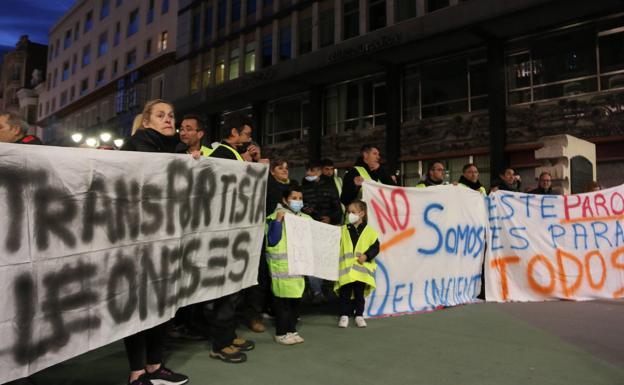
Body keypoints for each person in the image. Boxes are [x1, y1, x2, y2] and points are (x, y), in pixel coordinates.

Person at [121, 99, 188, 385]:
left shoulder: (174, 150)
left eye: (171, 115)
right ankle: (137, 372)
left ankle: (154, 366)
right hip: (136, 240)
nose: (168, 119)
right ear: (146, 122)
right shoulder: (137, 146)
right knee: (138, 303)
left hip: (164, 239)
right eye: (160, 115)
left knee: (162, 302)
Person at [206, 113, 256, 363]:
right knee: (227, 290)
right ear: (234, 133)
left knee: (235, 289)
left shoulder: (232, 154)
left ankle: (229, 333)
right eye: (246, 134)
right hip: (226, 234)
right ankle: (220, 343)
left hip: (236, 232)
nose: (248, 139)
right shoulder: (222, 155)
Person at [265, 185, 310, 344]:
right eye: (294, 198)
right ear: (284, 200)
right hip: (282, 270)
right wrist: (278, 221)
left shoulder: (306, 219)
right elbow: (272, 240)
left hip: (298, 270)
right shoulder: (274, 218)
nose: (298, 201)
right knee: (282, 305)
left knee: (295, 303)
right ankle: (281, 333)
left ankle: (292, 330)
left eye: (300, 198)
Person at [335, 200, 379, 328]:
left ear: (362, 214)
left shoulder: (370, 231)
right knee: (345, 294)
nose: (350, 214)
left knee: (359, 294)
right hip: (346, 270)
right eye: (348, 212)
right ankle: (344, 315)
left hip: (361, 270)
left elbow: (376, 247)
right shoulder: (342, 229)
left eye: (353, 212)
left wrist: (366, 256)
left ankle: (359, 315)